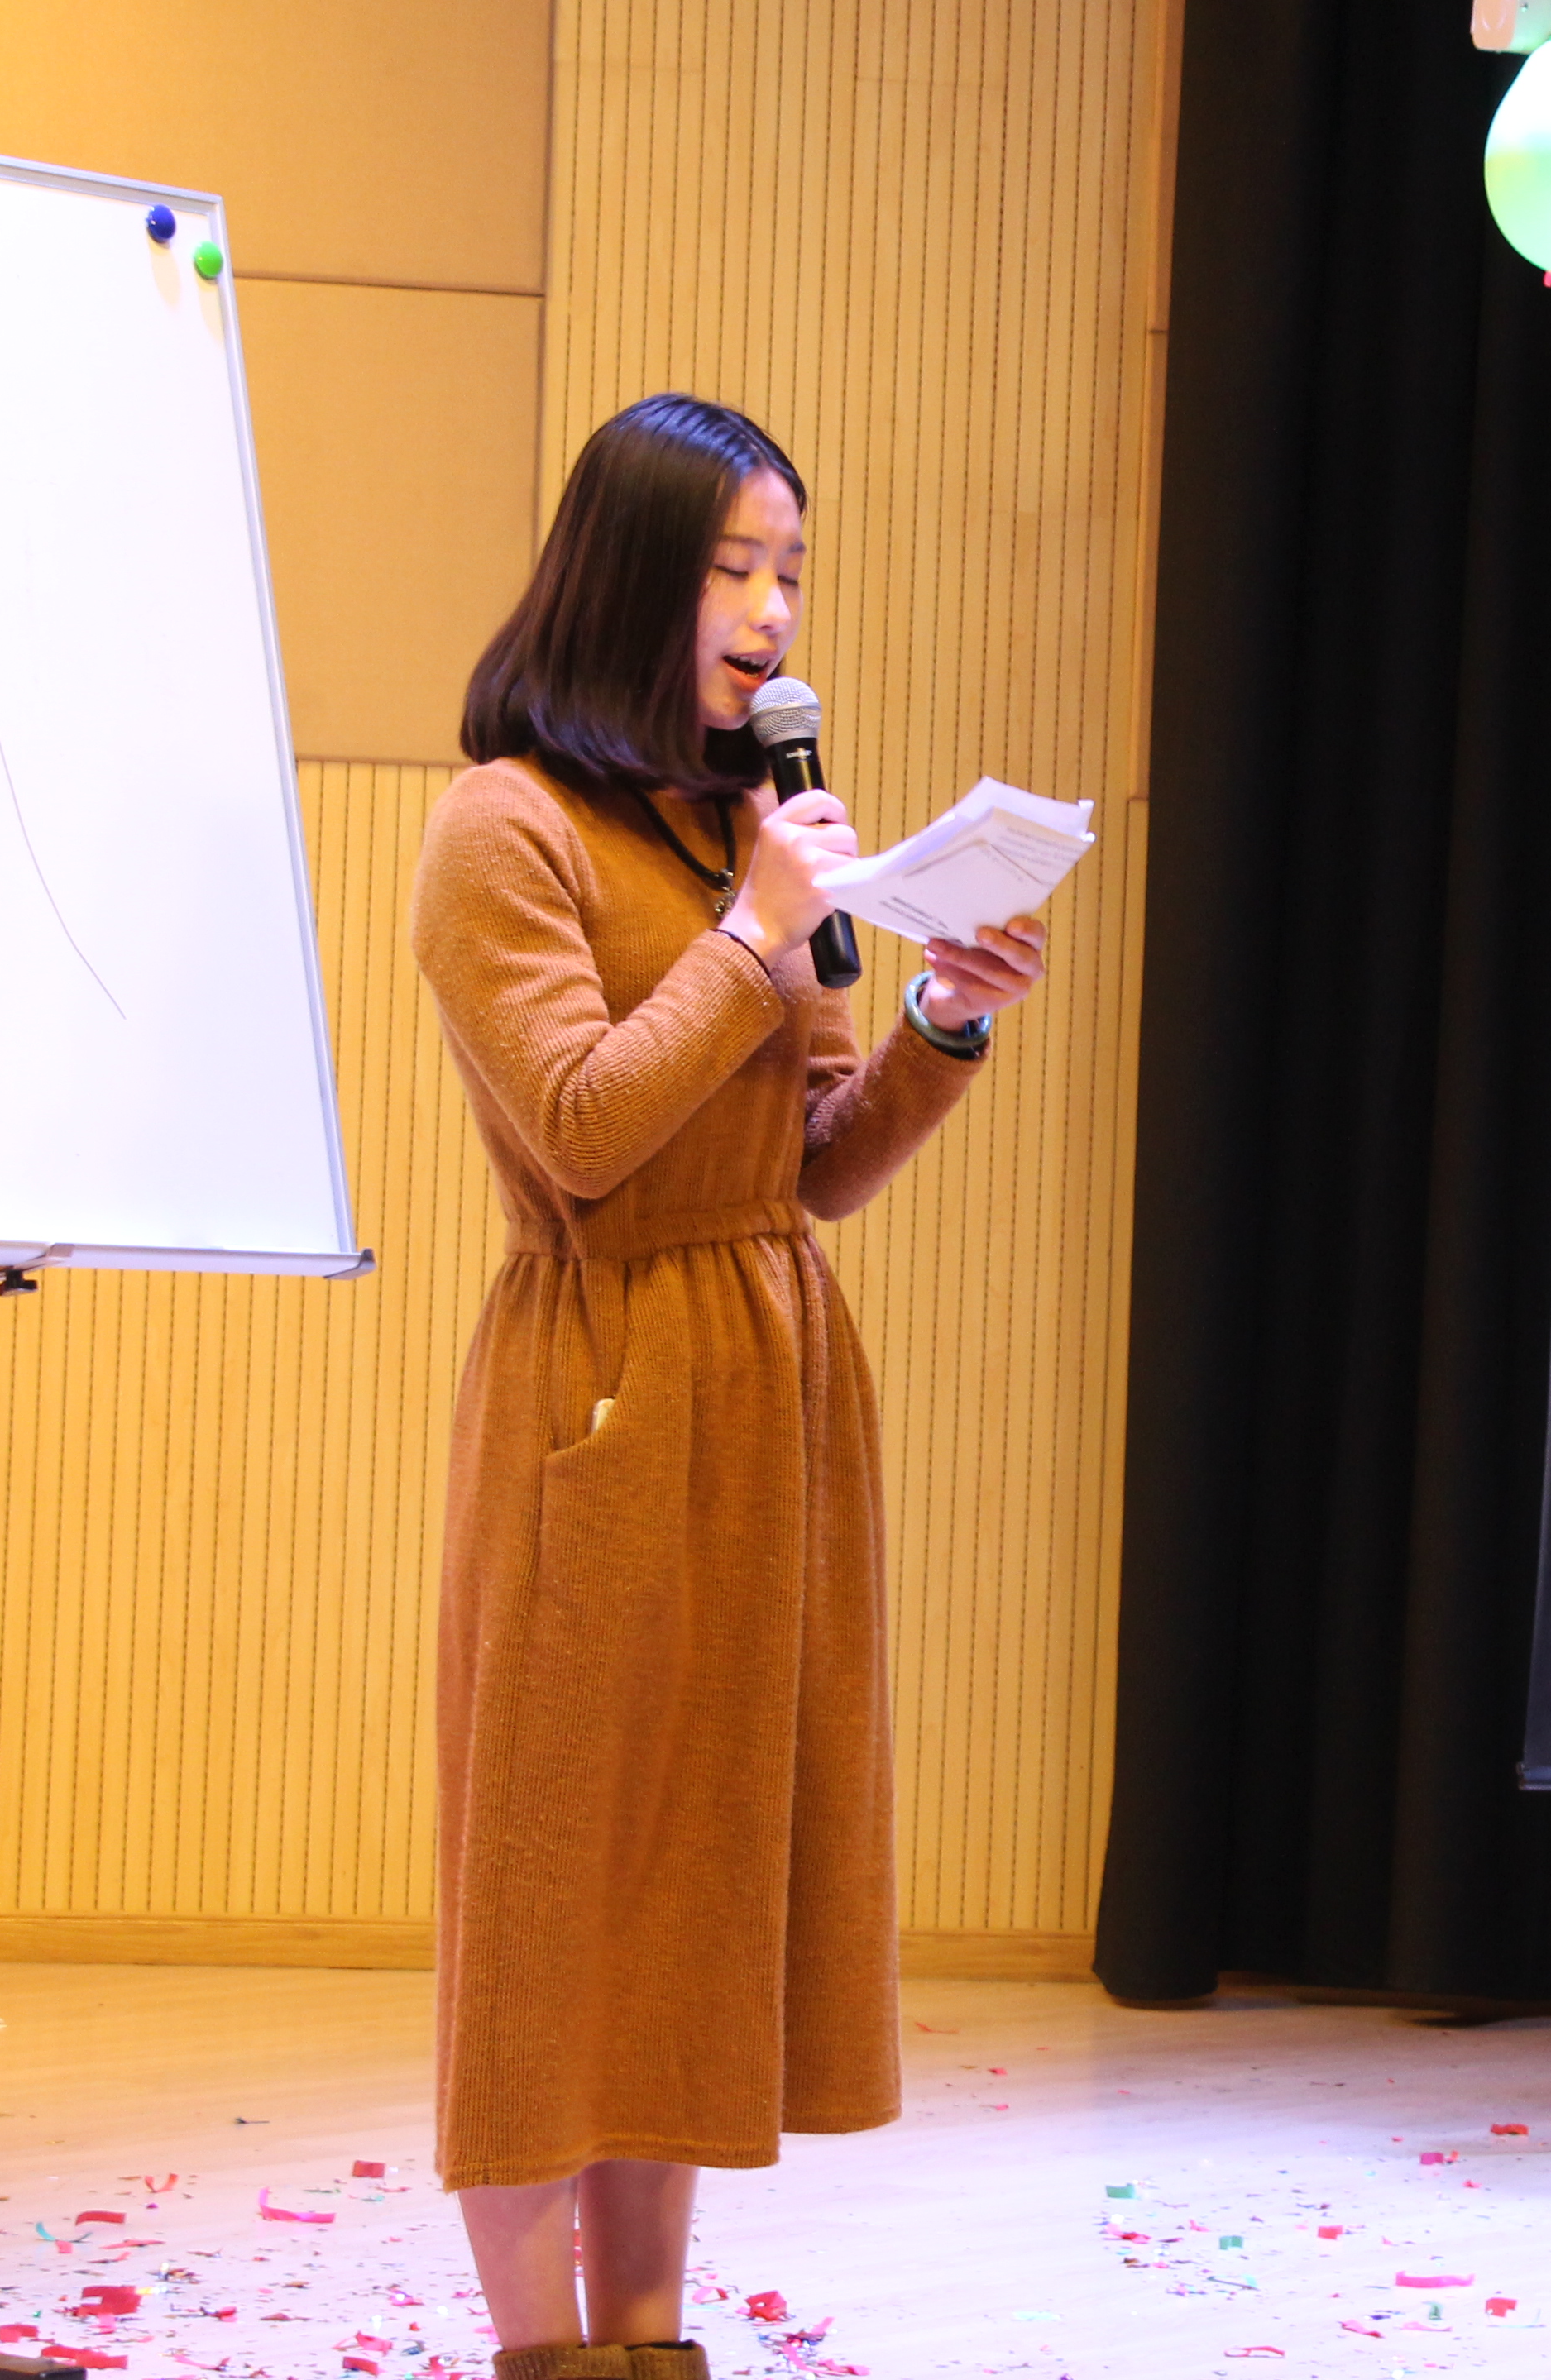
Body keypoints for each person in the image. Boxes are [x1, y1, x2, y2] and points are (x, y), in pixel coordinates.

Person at [408, 393, 1049, 2380]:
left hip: (772, 1386)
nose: (772, 614)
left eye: (793, 571)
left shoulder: (745, 825)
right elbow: (585, 1126)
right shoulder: (502, 825)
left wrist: (938, 1020)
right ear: (632, 575)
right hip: (599, 1390)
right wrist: (757, 930)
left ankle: (651, 2341)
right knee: (554, 1906)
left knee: (691, 1896)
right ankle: (543, 2352)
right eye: (733, 568)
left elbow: (815, 1164)